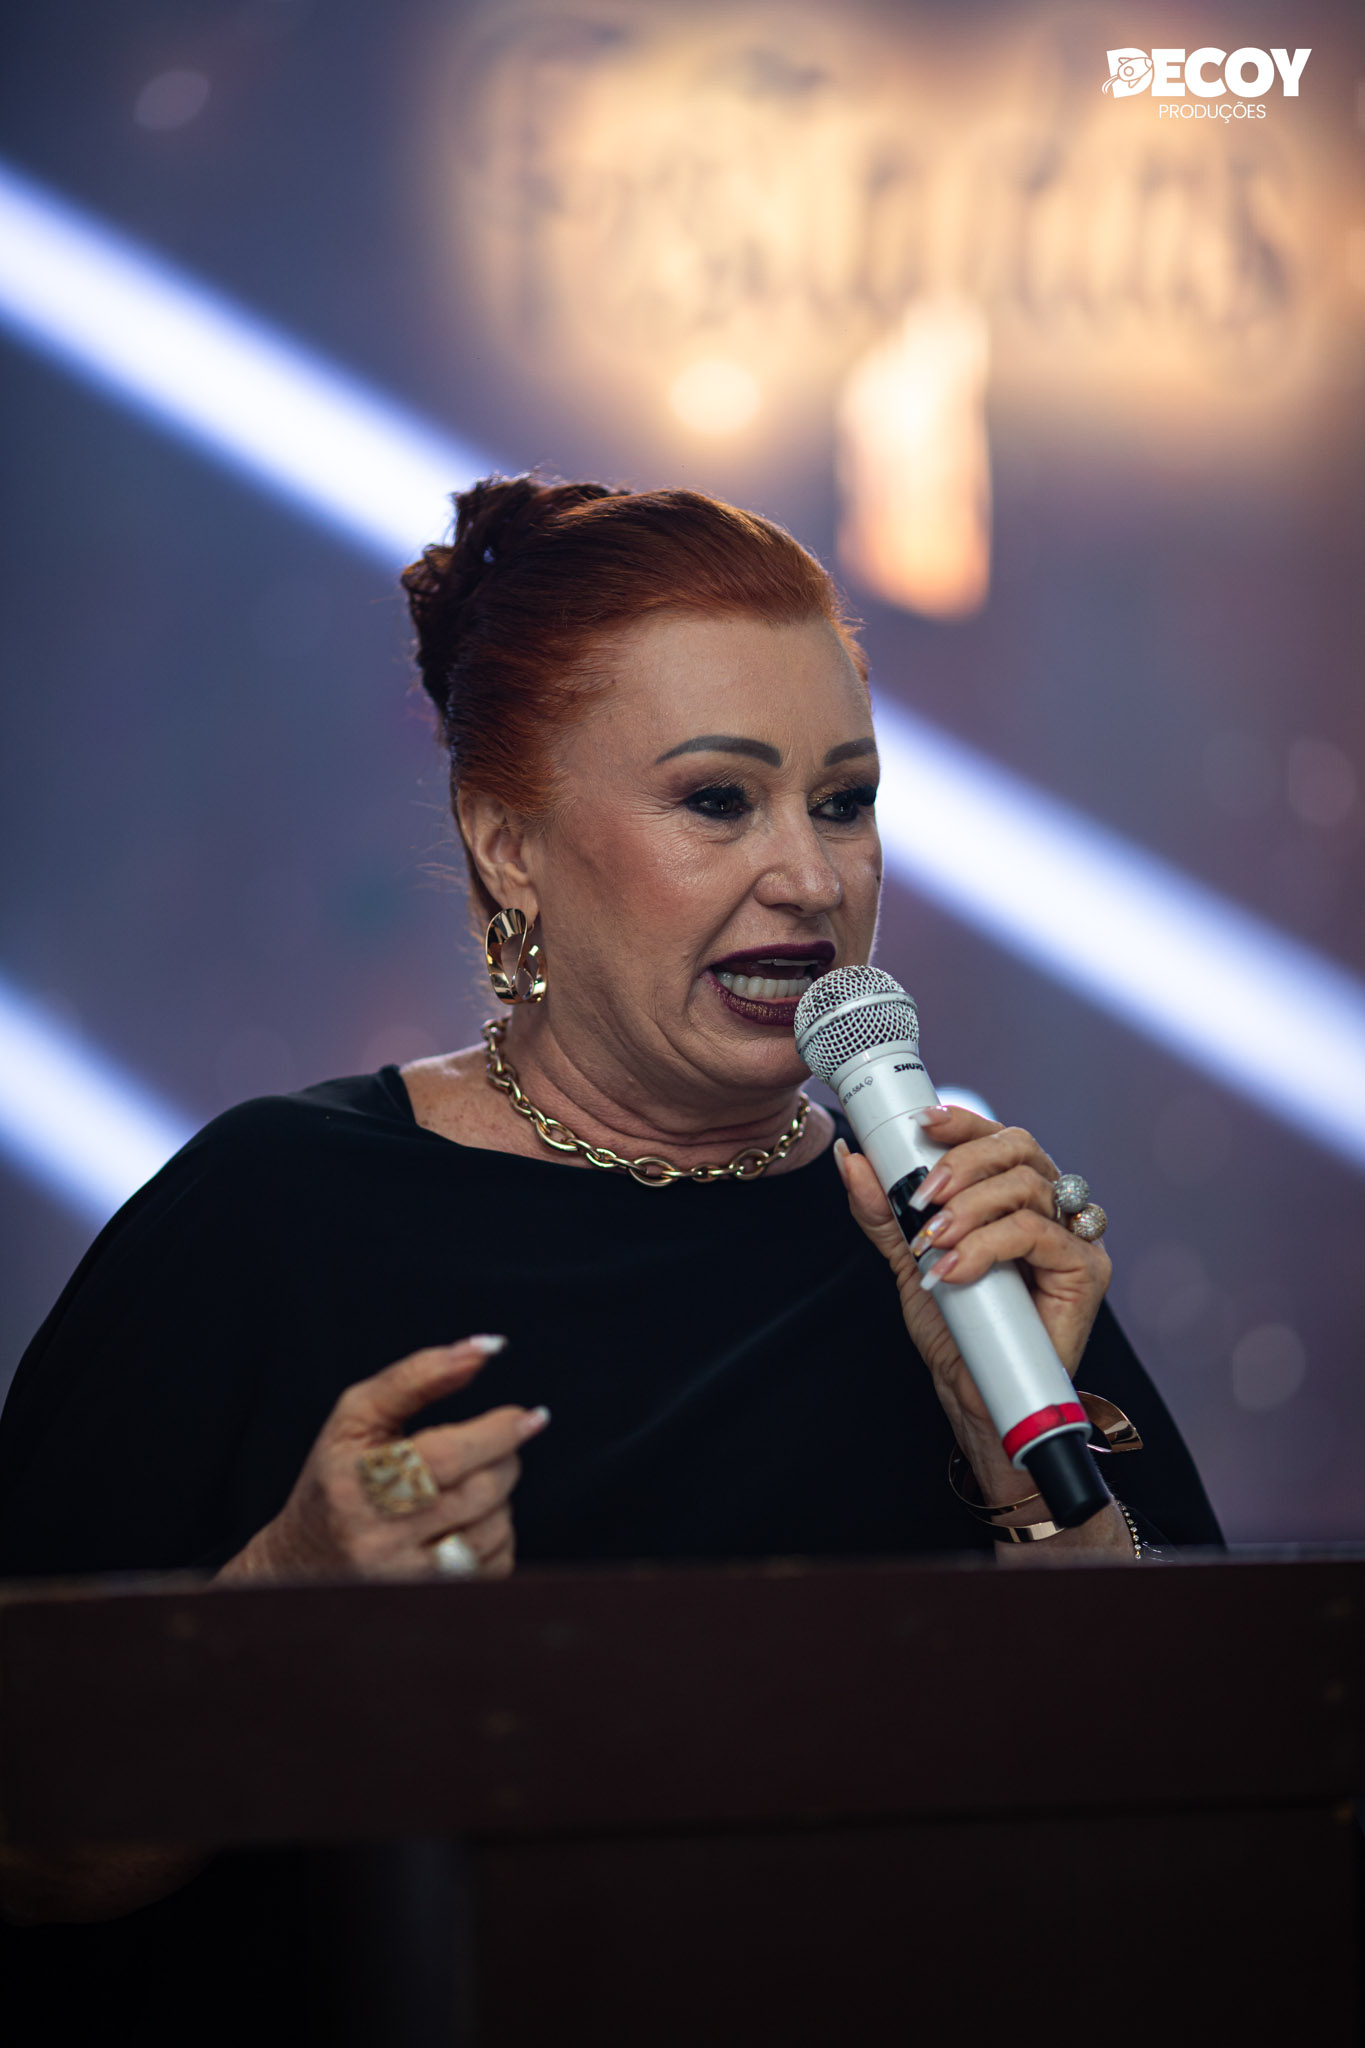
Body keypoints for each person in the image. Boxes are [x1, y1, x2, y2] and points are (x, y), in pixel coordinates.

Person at [0, 477, 1221, 2023]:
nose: (810, 877)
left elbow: (1215, 1823)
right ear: (507, 843)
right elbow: (31, 1858)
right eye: (717, 802)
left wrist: (1020, 1476)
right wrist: (282, 1605)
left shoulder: (950, 1234)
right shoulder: (274, 1211)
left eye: (842, 802)